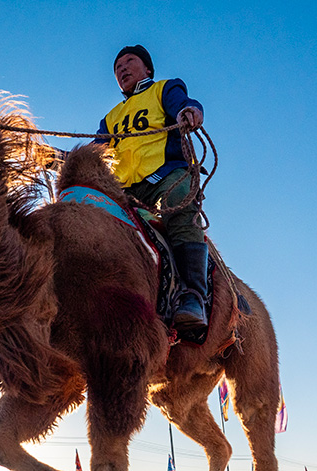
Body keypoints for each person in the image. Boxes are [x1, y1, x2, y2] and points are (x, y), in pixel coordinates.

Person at [95, 45, 208, 330]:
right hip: (123, 192)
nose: (122, 68)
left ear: (148, 68)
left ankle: (193, 295)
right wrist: (54, 157)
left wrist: (189, 111)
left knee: (179, 200)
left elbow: (184, 103)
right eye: (117, 67)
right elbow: (94, 153)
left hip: (165, 177)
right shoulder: (111, 118)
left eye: (129, 61)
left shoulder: (163, 89)